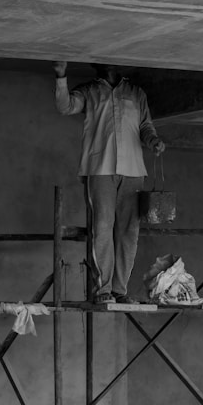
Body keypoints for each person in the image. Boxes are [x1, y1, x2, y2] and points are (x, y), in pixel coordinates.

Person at [53, 61, 165, 304]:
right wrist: (61, 76)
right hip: (100, 169)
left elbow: (145, 125)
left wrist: (153, 141)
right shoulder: (89, 91)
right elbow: (65, 107)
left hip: (133, 170)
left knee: (129, 232)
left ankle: (119, 290)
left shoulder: (136, 93)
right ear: (96, 66)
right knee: (102, 228)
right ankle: (102, 290)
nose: (107, 66)